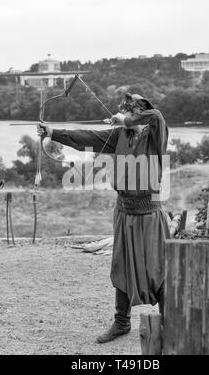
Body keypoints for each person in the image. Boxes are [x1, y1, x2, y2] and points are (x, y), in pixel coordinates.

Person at [37, 93, 170, 343]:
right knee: (121, 267)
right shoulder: (119, 136)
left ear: (139, 113)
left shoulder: (156, 135)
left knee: (158, 268)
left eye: (131, 110)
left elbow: (156, 115)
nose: (126, 114)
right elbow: (85, 138)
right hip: (124, 212)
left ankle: (170, 321)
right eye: (125, 110)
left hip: (150, 213)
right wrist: (53, 132)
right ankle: (122, 323)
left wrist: (126, 119)